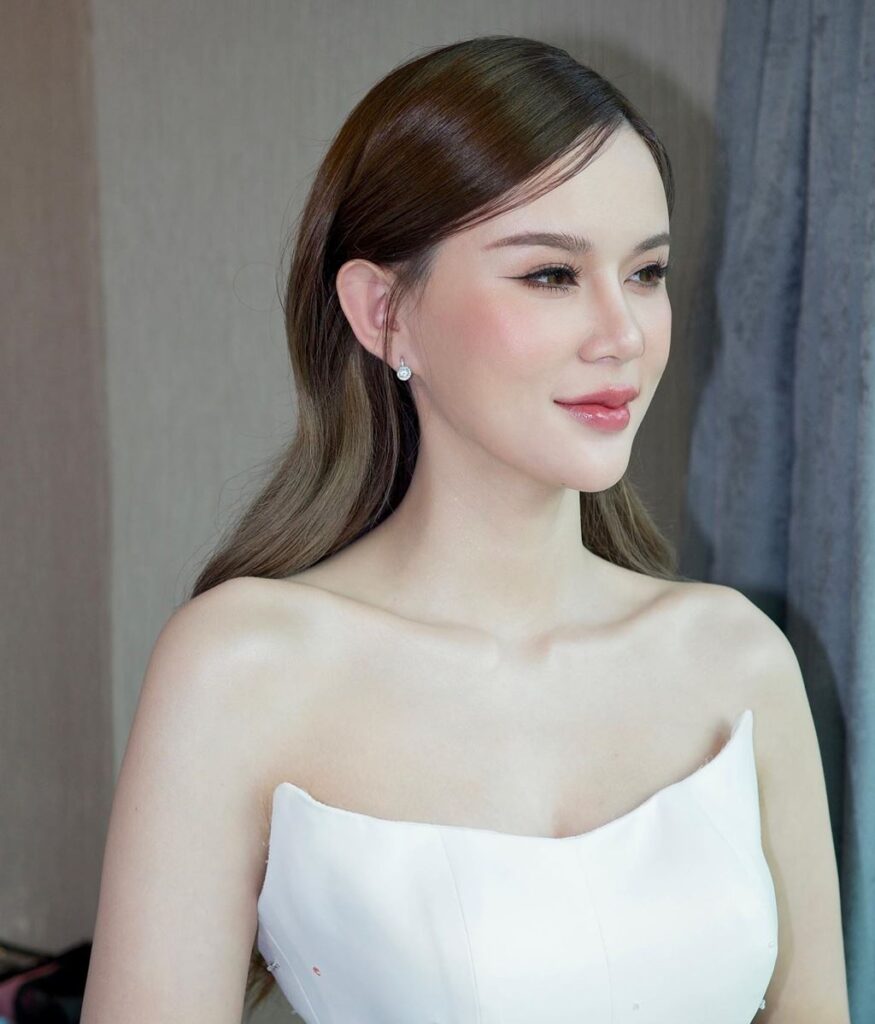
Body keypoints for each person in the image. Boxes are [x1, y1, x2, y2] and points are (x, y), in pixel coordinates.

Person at [81, 34, 850, 1024]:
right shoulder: (245, 667)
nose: (623, 334)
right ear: (382, 312)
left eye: (647, 272)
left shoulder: (736, 658)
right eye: (550, 275)